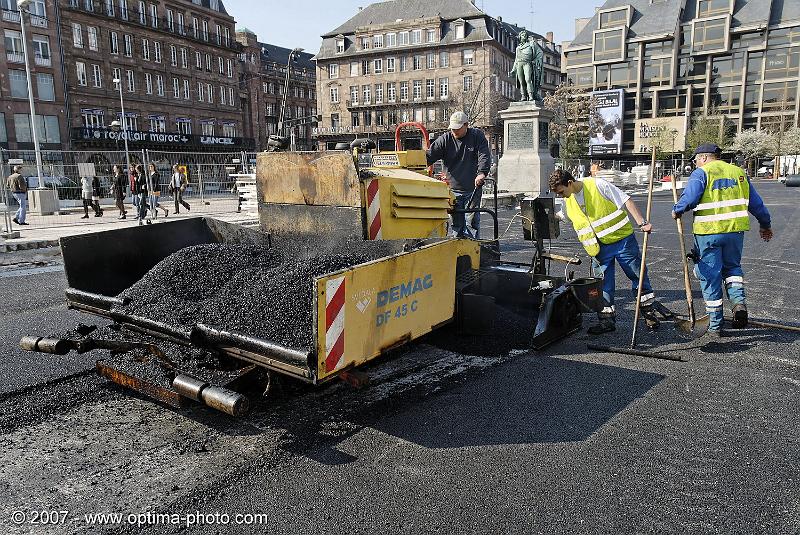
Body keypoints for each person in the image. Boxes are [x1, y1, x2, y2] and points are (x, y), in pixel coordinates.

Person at [550, 169, 672, 334]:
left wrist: (642, 223)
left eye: (561, 191)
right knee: (603, 285)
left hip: (622, 241)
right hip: (598, 248)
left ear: (569, 183)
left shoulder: (597, 185)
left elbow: (625, 200)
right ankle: (607, 321)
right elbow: (562, 216)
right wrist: (544, 214)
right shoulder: (567, 201)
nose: (561, 196)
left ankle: (648, 313)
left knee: (638, 275)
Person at [672, 143, 773, 337]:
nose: (695, 164)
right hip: (734, 233)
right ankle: (738, 303)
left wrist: (677, 209)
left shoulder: (701, 173)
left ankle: (715, 325)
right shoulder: (739, 173)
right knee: (732, 269)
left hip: (709, 233)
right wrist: (765, 224)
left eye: (695, 161)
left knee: (710, 275)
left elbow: (691, 198)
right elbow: (757, 204)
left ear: (702, 158)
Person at [425, 111, 491, 239]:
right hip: (453, 189)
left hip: (472, 188)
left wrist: (482, 173)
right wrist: (414, 164)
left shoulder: (476, 136)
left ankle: (472, 247)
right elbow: (429, 156)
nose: (454, 132)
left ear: (466, 125)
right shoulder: (445, 139)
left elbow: (484, 155)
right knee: (456, 222)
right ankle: (458, 245)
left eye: (457, 129)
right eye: (452, 129)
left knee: (471, 221)